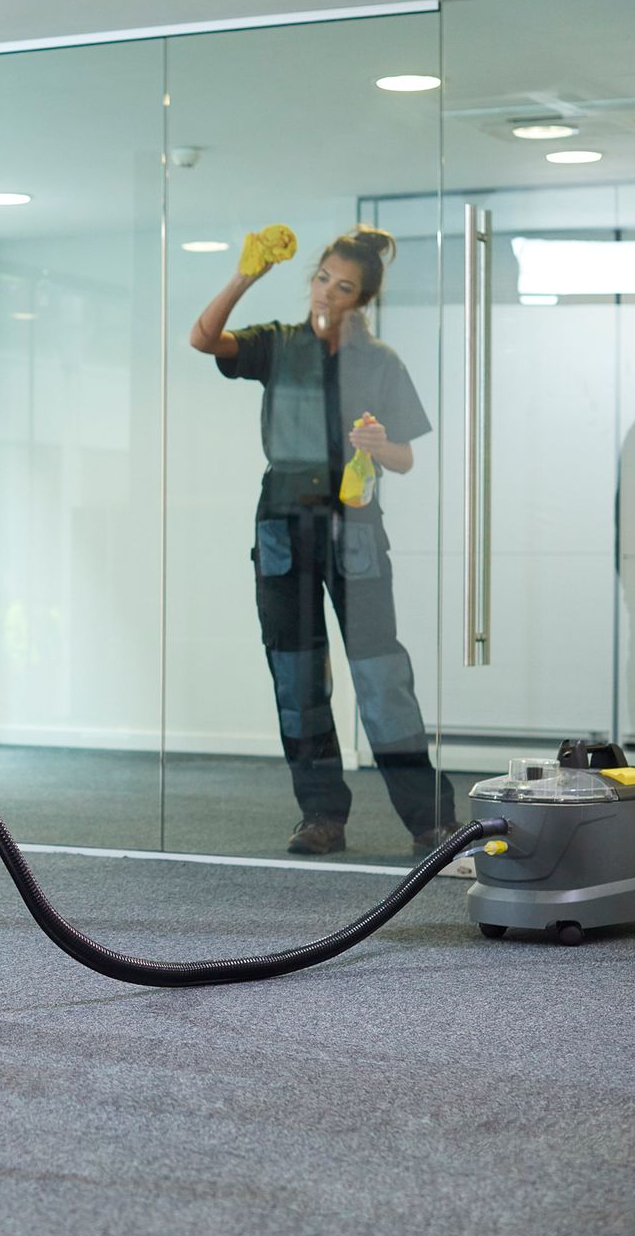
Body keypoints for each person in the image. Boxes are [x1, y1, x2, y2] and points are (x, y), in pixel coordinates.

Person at [188, 226, 458, 857]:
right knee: (297, 674)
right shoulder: (277, 345)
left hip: (353, 524)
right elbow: (204, 339)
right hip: (282, 521)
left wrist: (377, 447)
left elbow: (406, 458)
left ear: (361, 300)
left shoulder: (380, 362)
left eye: (345, 288)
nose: (329, 294)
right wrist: (245, 275)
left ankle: (429, 819)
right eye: (322, 280)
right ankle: (321, 816)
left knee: (380, 674)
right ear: (310, 279)